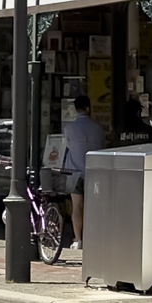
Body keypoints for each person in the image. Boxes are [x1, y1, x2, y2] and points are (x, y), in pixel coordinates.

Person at [57, 93, 103, 249]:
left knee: (76, 206)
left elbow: (68, 146)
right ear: (88, 108)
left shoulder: (69, 128)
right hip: (92, 171)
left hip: (75, 171)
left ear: (76, 109)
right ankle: (91, 236)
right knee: (91, 206)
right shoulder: (97, 127)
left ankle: (78, 239)